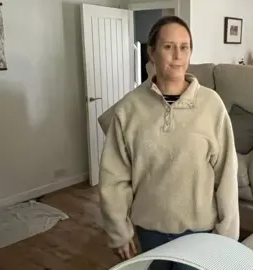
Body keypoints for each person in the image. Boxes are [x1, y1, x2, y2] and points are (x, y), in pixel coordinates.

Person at [98, 15, 240, 270]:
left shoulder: (212, 105)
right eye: (168, 47)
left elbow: (227, 173)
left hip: (199, 232)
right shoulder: (129, 109)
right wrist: (119, 231)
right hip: (149, 231)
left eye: (184, 47)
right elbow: (114, 177)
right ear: (152, 53)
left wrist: (227, 234)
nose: (177, 55)